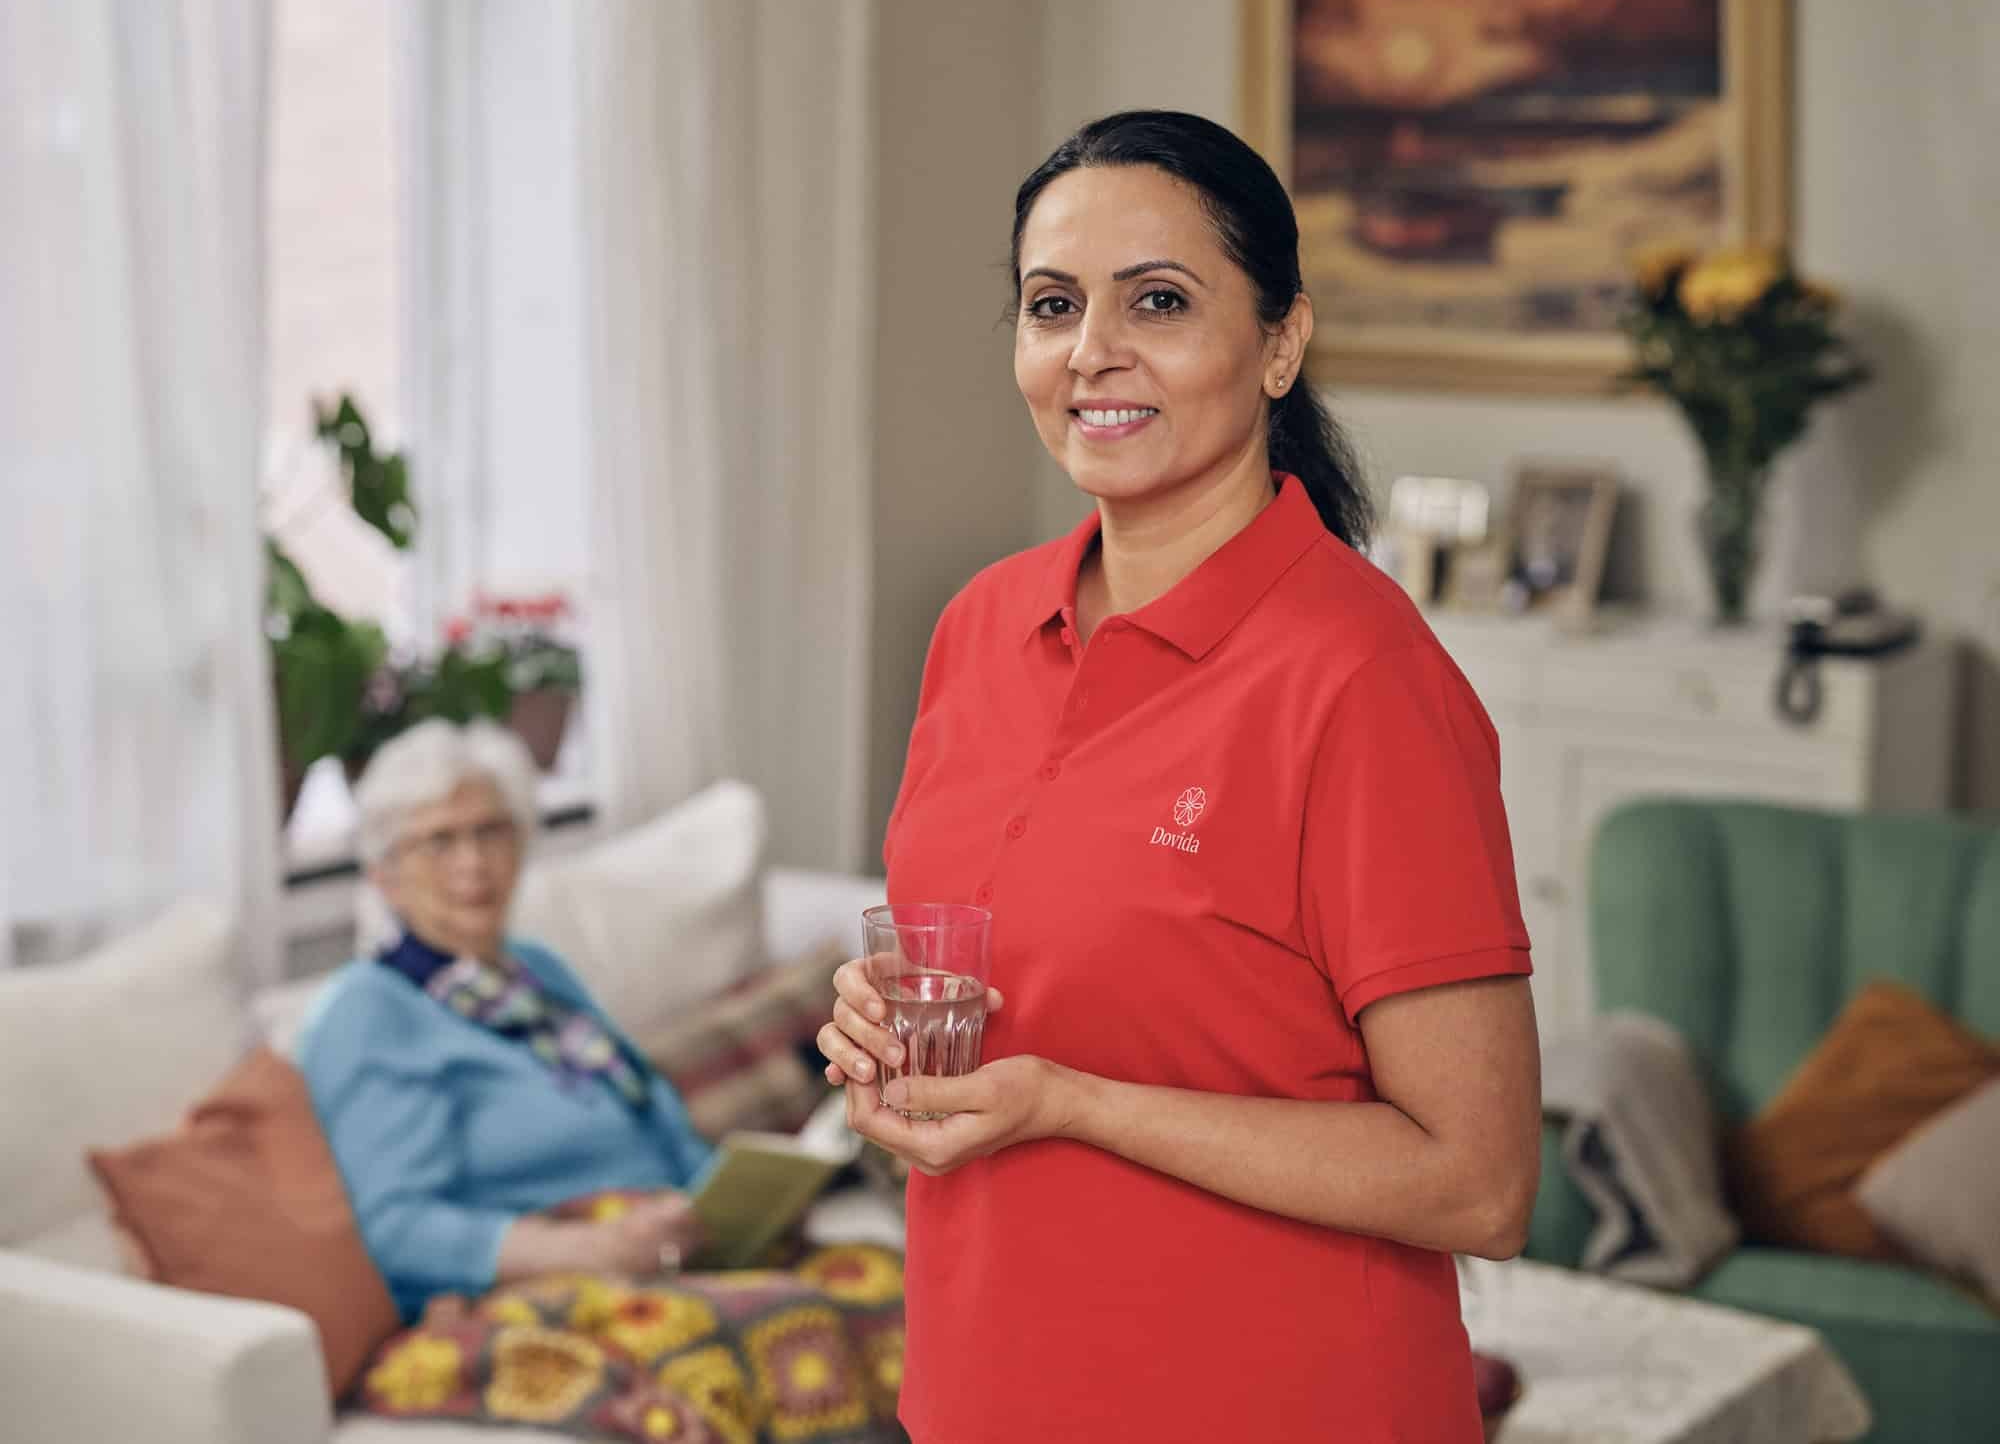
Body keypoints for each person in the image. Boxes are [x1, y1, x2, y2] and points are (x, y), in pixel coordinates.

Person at [816, 110, 1542, 1442]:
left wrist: (1072, 1102)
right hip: (983, 1397)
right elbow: (1024, 968)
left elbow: (1479, 1181)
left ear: (1280, 343)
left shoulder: (1362, 684)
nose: (1093, 351)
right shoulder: (979, 626)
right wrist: (878, 1031)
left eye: (1159, 301)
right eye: (1052, 305)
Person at [299, 719, 711, 1322]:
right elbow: (395, 1226)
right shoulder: (371, 1012)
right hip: (533, 1293)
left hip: (669, 1251)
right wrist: (592, 1249)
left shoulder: (537, 970)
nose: (473, 863)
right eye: (438, 842)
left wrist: (724, 1199)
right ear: (384, 877)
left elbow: (649, 1107)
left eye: (491, 832)